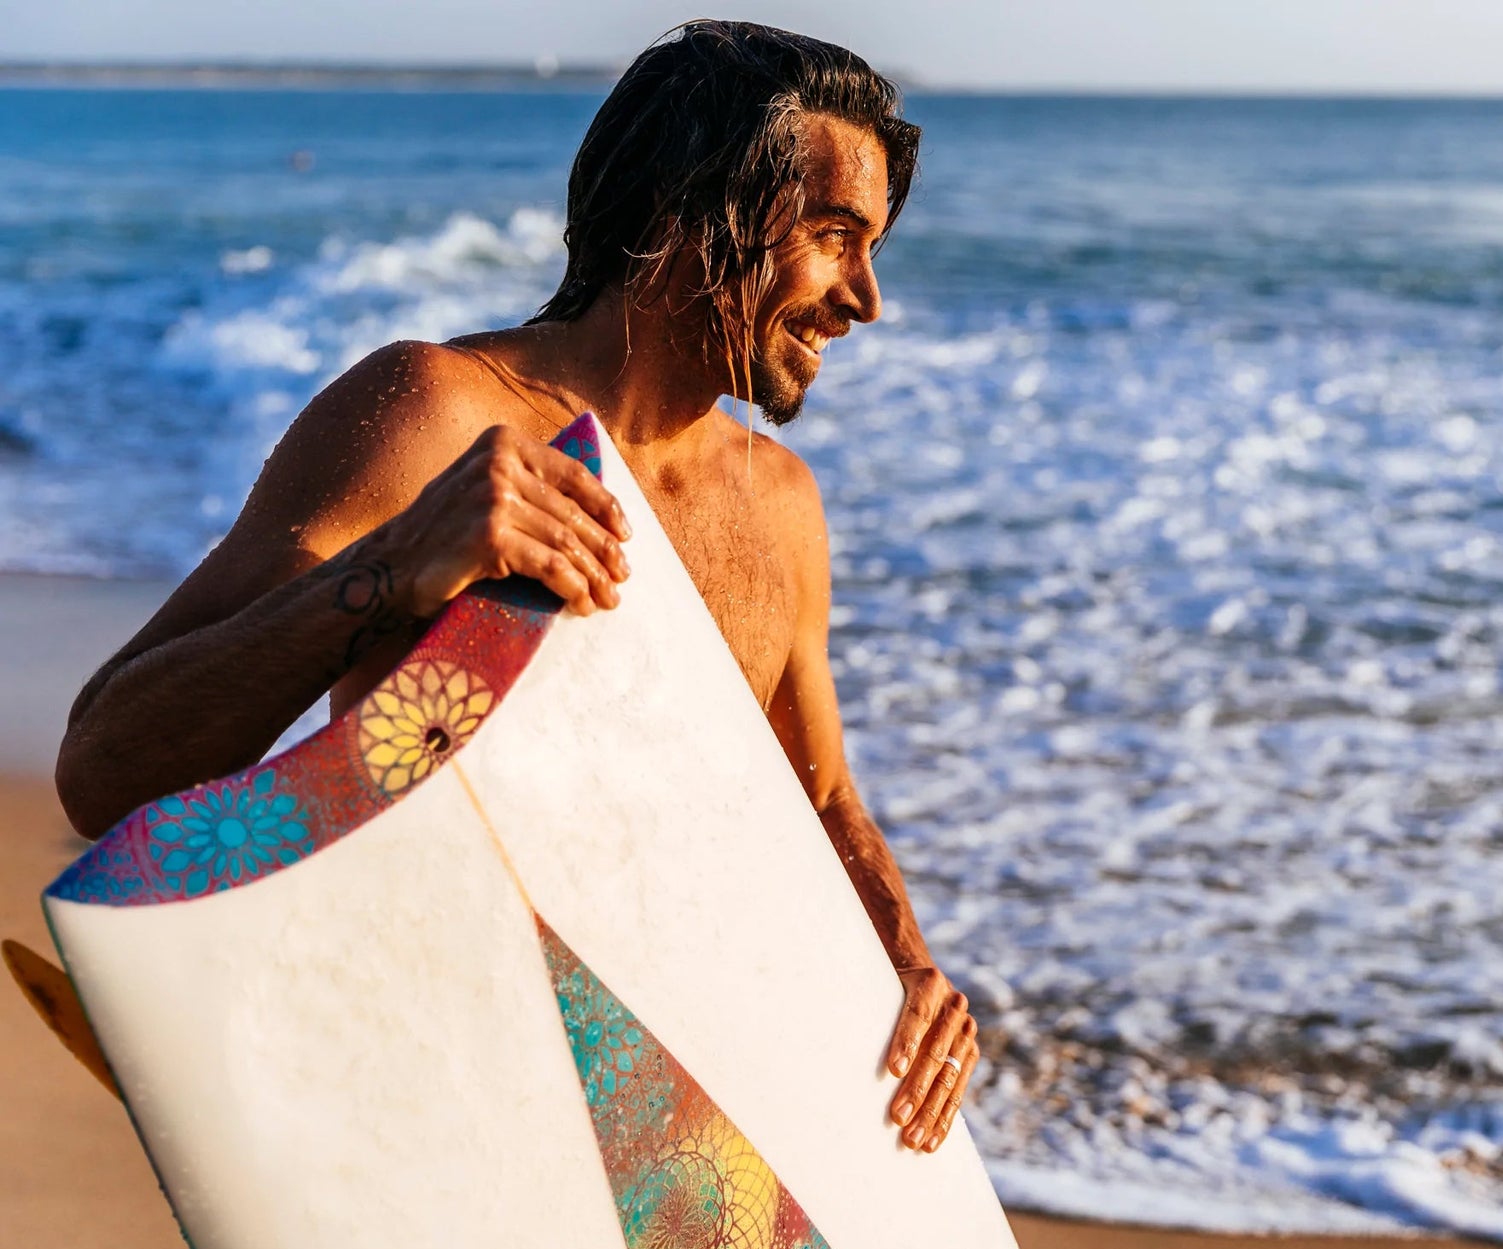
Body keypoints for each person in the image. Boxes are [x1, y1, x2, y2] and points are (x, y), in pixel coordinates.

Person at [54, 20, 978, 1156]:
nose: (866, 297)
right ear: (686, 211)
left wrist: (906, 960)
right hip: (426, 1094)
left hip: (647, 1127)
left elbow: (822, 800)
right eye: (834, 237)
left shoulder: (781, 506)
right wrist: (392, 570)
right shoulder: (434, 413)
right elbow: (103, 768)